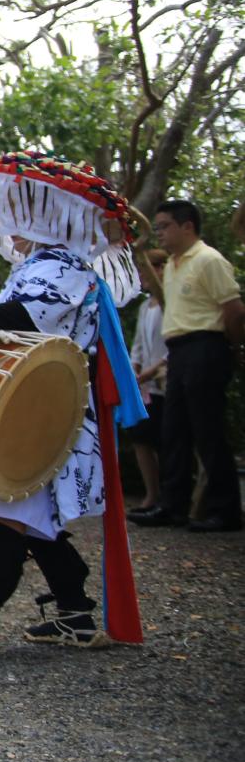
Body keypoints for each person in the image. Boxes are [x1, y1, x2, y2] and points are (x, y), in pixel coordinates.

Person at [0, 152, 146, 654]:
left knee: (8, 512)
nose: (8, 227)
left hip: (46, 414)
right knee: (35, 516)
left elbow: (31, 316)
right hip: (42, 408)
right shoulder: (50, 264)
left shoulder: (59, 265)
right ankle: (76, 615)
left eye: (18, 214)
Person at [131, 200, 244, 533]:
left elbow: (235, 310)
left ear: (187, 226)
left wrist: (233, 347)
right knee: (173, 430)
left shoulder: (208, 260)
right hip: (178, 351)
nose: (160, 233)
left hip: (206, 346)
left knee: (207, 431)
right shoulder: (175, 265)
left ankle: (225, 511)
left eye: (164, 226)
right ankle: (172, 505)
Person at [125, 251, 168, 514]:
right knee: (141, 437)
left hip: (164, 379)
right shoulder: (144, 306)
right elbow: (138, 346)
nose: (142, 276)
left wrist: (153, 370)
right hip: (144, 385)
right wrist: (136, 370)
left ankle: (170, 495)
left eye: (147, 269)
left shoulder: (168, 303)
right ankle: (151, 494)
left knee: (166, 439)